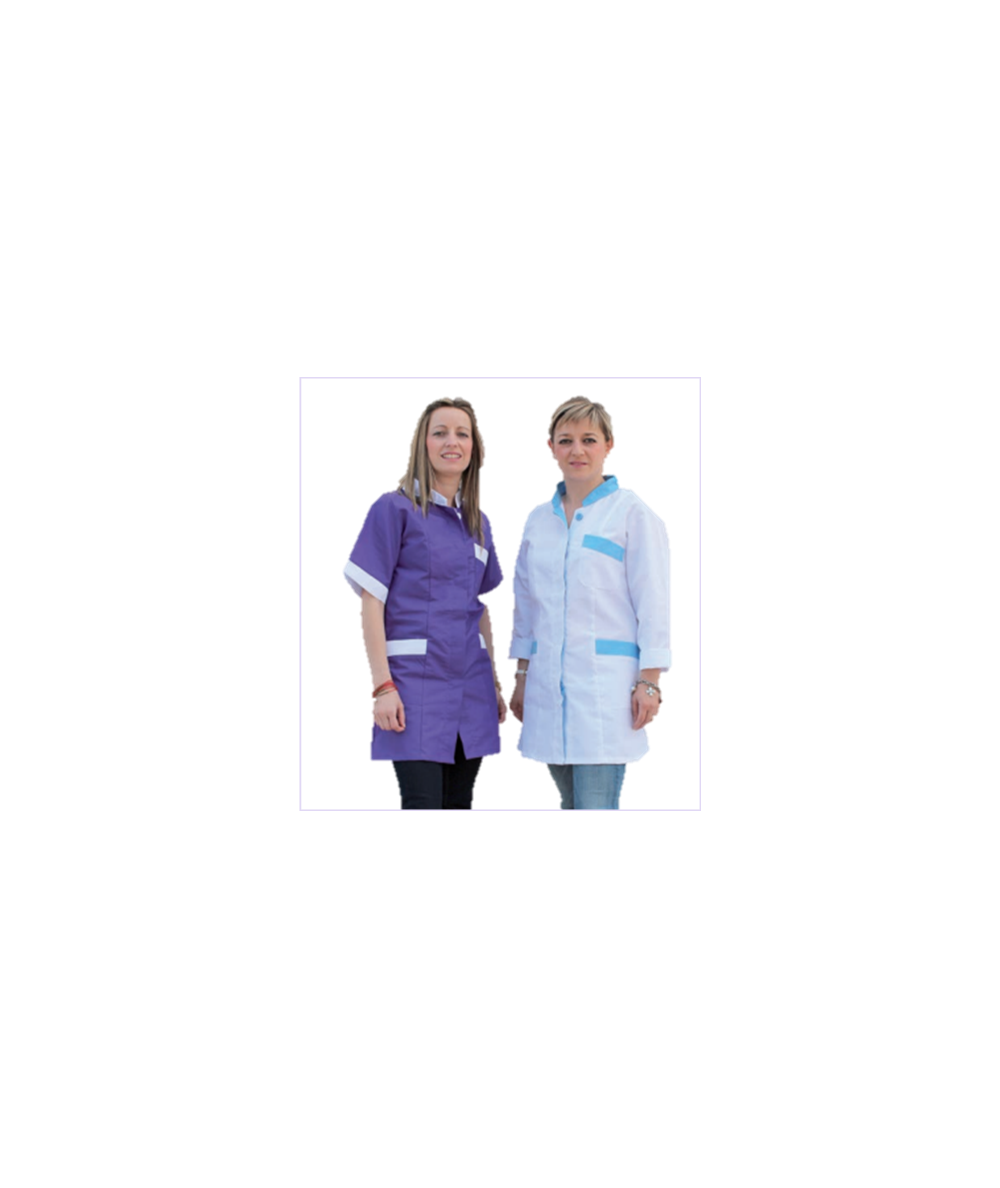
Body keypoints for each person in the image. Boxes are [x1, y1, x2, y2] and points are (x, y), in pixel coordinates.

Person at [341, 398, 508, 809]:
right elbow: (371, 601)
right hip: (413, 688)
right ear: (423, 444)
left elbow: (480, 608)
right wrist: (381, 686)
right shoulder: (392, 509)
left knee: (460, 805)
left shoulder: (479, 524)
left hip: (472, 691)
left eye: (462, 434)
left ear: (474, 448)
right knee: (421, 805)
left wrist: (494, 683)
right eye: (440, 433)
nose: (452, 442)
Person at [507, 396, 671, 809]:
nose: (576, 450)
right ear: (550, 447)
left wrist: (651, 680)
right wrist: (521, 673)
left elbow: (654, 601)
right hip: (547, 691)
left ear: (609, 445)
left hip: (606, 693)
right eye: (565, 440)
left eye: (589, 439)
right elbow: (526, 605)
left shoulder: (632, 513)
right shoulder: (537, 520)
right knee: (569, 808)